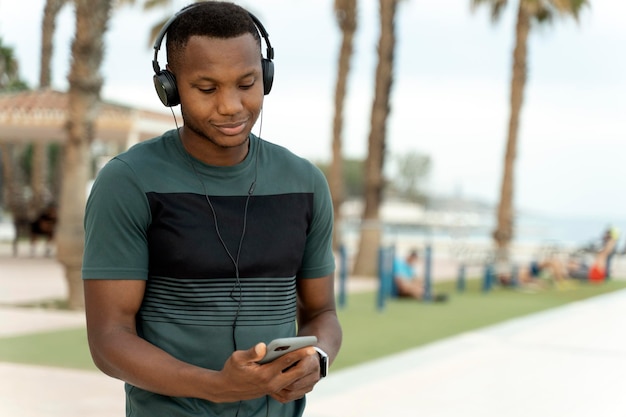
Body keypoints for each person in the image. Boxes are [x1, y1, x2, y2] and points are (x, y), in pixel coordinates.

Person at [82, 3, 342, 417]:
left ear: (266, 78)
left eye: (246, 83)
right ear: (170, 88)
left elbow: (322, 312)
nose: (231, 106)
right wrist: (216, 387)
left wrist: (319, 358)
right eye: (207, 89)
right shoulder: (128, 182)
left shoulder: (305, 182)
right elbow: (109, 339)